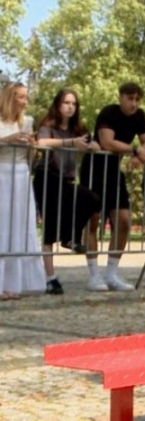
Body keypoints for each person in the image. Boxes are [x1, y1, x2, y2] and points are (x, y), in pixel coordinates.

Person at [80, 81, 145, 291]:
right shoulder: (108, 113)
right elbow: (107, 142)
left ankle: (112, 273)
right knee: (92, 221)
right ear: (121, 97)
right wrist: (135, 151)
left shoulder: (140, 117)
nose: (134, 103)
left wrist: (143, 152)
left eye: (137, 99)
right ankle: (94, 274)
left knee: (123, 220)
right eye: (130, 98)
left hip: (114, 171)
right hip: (94, 168)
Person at [33, 88, 102, 295]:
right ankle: (50, 278)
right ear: (58, 105)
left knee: (91, 199)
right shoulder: (48, 126)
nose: (70, 107)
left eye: (73, 103)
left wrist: (91, 146)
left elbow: (94, 143)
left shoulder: (77, 128)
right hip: (48, 178)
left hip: (67, 180)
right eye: (66, 103)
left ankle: (70, 237)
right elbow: (41, 142)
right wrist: (69, 143)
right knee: (49, 229)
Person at [0, 82, 45, 299]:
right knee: (3, 224)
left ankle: (17, 282)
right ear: (10, 97)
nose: (24, 101)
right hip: (2, 173)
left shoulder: (26, 122)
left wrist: (31, 147)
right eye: (20, 96)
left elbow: (30, 157)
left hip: (22, 174)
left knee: (20, 224)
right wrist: (8, 140)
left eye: (26, 97)